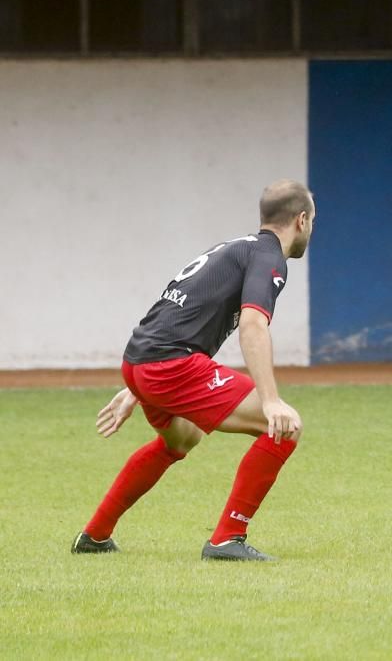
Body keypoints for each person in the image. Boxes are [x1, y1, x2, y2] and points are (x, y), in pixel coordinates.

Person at [72, 179, 316, 561]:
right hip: (168, 364)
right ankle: (226, 538)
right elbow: (253, 324)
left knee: (180, 440)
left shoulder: (234, 248)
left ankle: (95, 536)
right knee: (286, 427)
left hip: (140, 359)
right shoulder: (269, 258)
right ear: (302, 220)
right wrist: (270, 402)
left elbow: (178, 313)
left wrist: (137, 383)